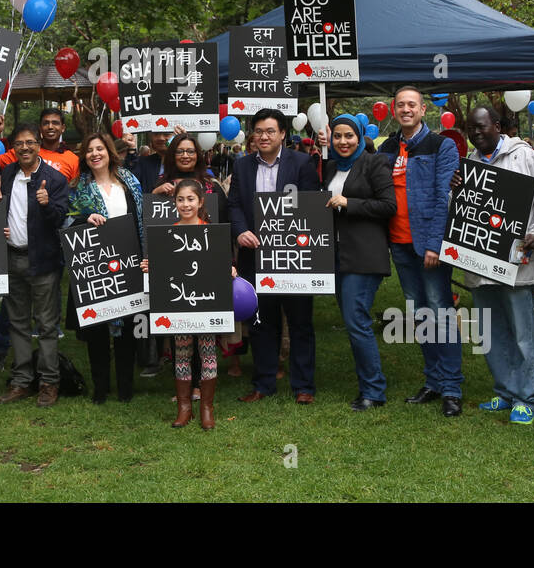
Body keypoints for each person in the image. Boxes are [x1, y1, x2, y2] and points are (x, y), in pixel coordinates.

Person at [460, 107, 534, 425]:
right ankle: (505, 391)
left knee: (521, 334)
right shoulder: (469, 166)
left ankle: (526, 397)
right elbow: (463, 216)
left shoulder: (527, 158)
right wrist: (456, 192)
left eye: (482, 127)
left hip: (517, 265)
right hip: (481, 265)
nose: (477, 133)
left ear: (497, 126)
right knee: (491, 333)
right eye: (471, 129)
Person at [377, 87, 462, 416]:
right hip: (399, 244)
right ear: (393, 110)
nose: (406, 109)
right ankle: (434, 381)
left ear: (423, 109)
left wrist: (435, 244)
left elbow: (444, 196)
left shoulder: (441, 146)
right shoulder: (386, 148)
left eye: (412, 104)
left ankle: (452, 387)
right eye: (400, 105)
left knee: (441, 312)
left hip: (429, 246)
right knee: (421, 315)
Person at [228, 109, 321, 404]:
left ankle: (303, 385)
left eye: (270, 131)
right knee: (260, 322)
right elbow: (233, 205)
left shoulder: (303, 163)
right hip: (254, 256)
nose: (263, 136)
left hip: (293, 258)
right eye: (259, 131)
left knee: (300, 321)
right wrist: (241, 231)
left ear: (283, 134)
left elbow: (311, 207)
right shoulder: (241, 166)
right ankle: (263, 383)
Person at [320, 114, 396, 411]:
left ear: (360, 136)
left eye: (349, 136)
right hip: (337, 254)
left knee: (356, 321)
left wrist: (349, 203)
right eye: (337, 136)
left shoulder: (374, 164)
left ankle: (374, 390)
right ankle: (369, 384)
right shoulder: (328, 167)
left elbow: (388, 205)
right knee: (353, 320)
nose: (343, 141)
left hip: (365, 255)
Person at [150, 178, 238, 429]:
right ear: (174, 202)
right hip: (179, 305)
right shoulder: (167, 235)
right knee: (182, 354)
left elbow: (226, 262)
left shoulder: (213, 232)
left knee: (208, 353)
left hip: (207, 305)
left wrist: (230, 269)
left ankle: (207, 408)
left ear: (200, 202)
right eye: (180, 199)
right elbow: (163, 270)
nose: (185, 204)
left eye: (190, 199)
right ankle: (184, 407)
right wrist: (151, 266)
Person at [67, 132, 146, 403]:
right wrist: (84, 218)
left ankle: (125, 387)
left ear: (109, 151)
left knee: (128, 328)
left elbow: (141, 219)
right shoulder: (79, 187)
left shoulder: (130, 181)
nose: (95, 154)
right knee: (96, 330)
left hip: (127, 261)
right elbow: (68, 223)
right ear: (85, 156)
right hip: (96, 265)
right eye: (89, 150)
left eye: (99, 148)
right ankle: (100, 388)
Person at [0, 124, 70, 407]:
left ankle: (49, 382)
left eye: (30, 142)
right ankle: (21, 381)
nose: (24, 147)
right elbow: (5, 209)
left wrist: (47, 203)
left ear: (39, 144)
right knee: (17, 323)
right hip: (11, 257)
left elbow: (60, 218)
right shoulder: (7, 174)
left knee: (47, 325)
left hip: (43, 262)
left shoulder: (54, 179)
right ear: (13, 148)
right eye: (19, 143)